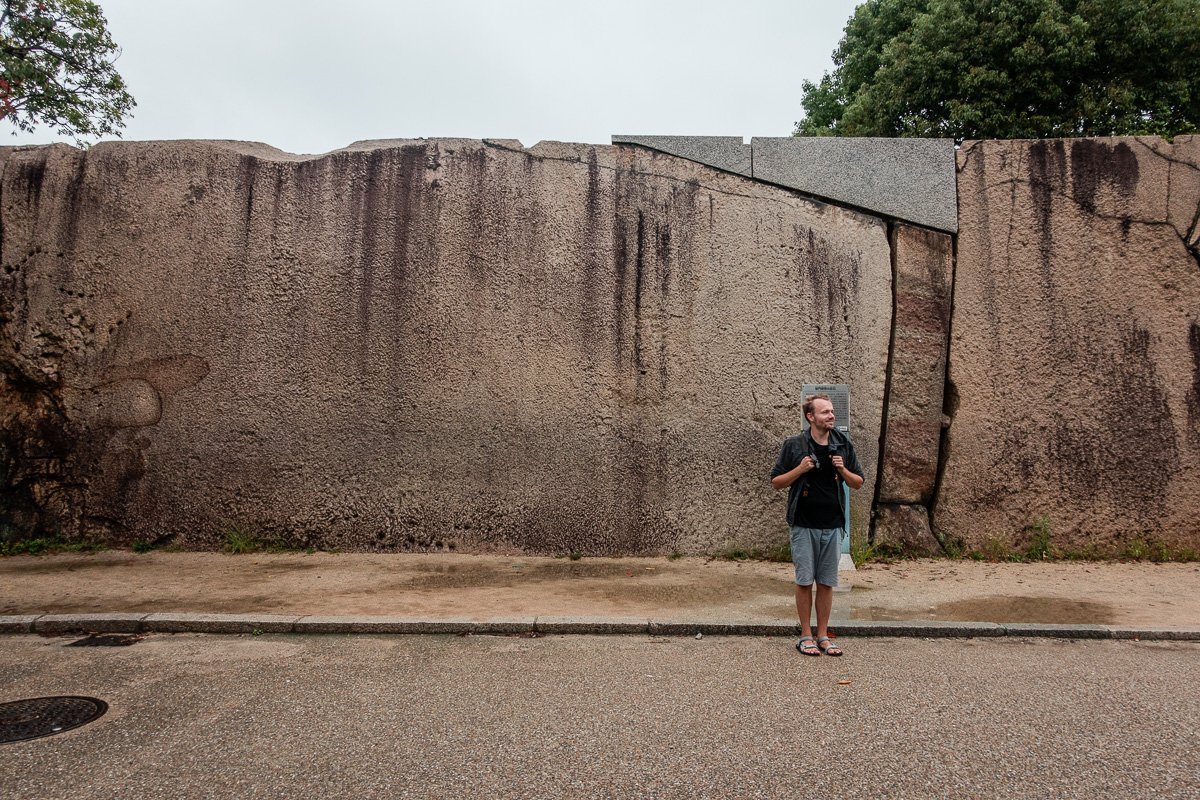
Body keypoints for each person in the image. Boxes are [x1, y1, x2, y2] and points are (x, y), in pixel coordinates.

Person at [770, 394, 864, 657]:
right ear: (810, 417)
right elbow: (776, 482)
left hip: (833, 526)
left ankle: (823, 635)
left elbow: (858, 482)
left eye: (832, 411)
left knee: (826, 582)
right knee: (804, 581)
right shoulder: (794, 445)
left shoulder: (843, 444)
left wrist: (843, 470)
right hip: (803, 524)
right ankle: (805, 636)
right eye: (825, 412)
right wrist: (800, 469)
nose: (831, 415)